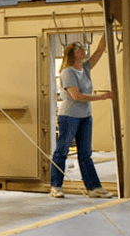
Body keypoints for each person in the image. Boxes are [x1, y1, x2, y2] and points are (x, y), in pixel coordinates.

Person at [48, 40, 116, 199]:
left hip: (85, 116)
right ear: (72, 54)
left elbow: (99, 50)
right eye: (79, 49)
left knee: (85, 154)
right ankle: (56, 186)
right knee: (62, 152)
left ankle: (94, 188)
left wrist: (107, 31)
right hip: (69, 117)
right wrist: (102, 97)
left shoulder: (85, 68)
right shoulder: (67, 72)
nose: (83, 51)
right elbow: (76, 96)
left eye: (83, 49)